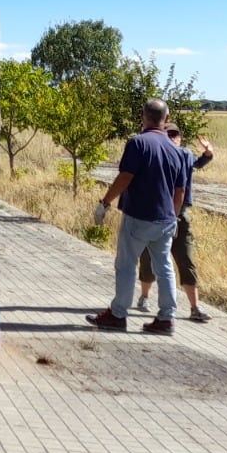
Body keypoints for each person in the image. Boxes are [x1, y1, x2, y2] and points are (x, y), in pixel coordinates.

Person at [86, 98, 190, 335]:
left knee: (126, 265)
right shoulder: (177, 151)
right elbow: (180, 191)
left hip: (139, 216)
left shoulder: (138, 143)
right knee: (163, 267)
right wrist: (173, 217)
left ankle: (118, 314)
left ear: (143, 117)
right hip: (165, 219)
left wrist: (105, 202)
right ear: (166, 119)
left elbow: (125, 177)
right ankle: (166, 318)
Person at [136, 122, 214, 321]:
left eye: (175, 134)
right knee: (148, 260)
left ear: (180, 137)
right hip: (155, 214)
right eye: (168, 134)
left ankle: (195, 308)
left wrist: (208, 153)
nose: (172, 137)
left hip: (180, 216)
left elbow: (198, 163)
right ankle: (144, 296)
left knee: (185, 259)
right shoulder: (156, 155)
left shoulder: (185, 155)